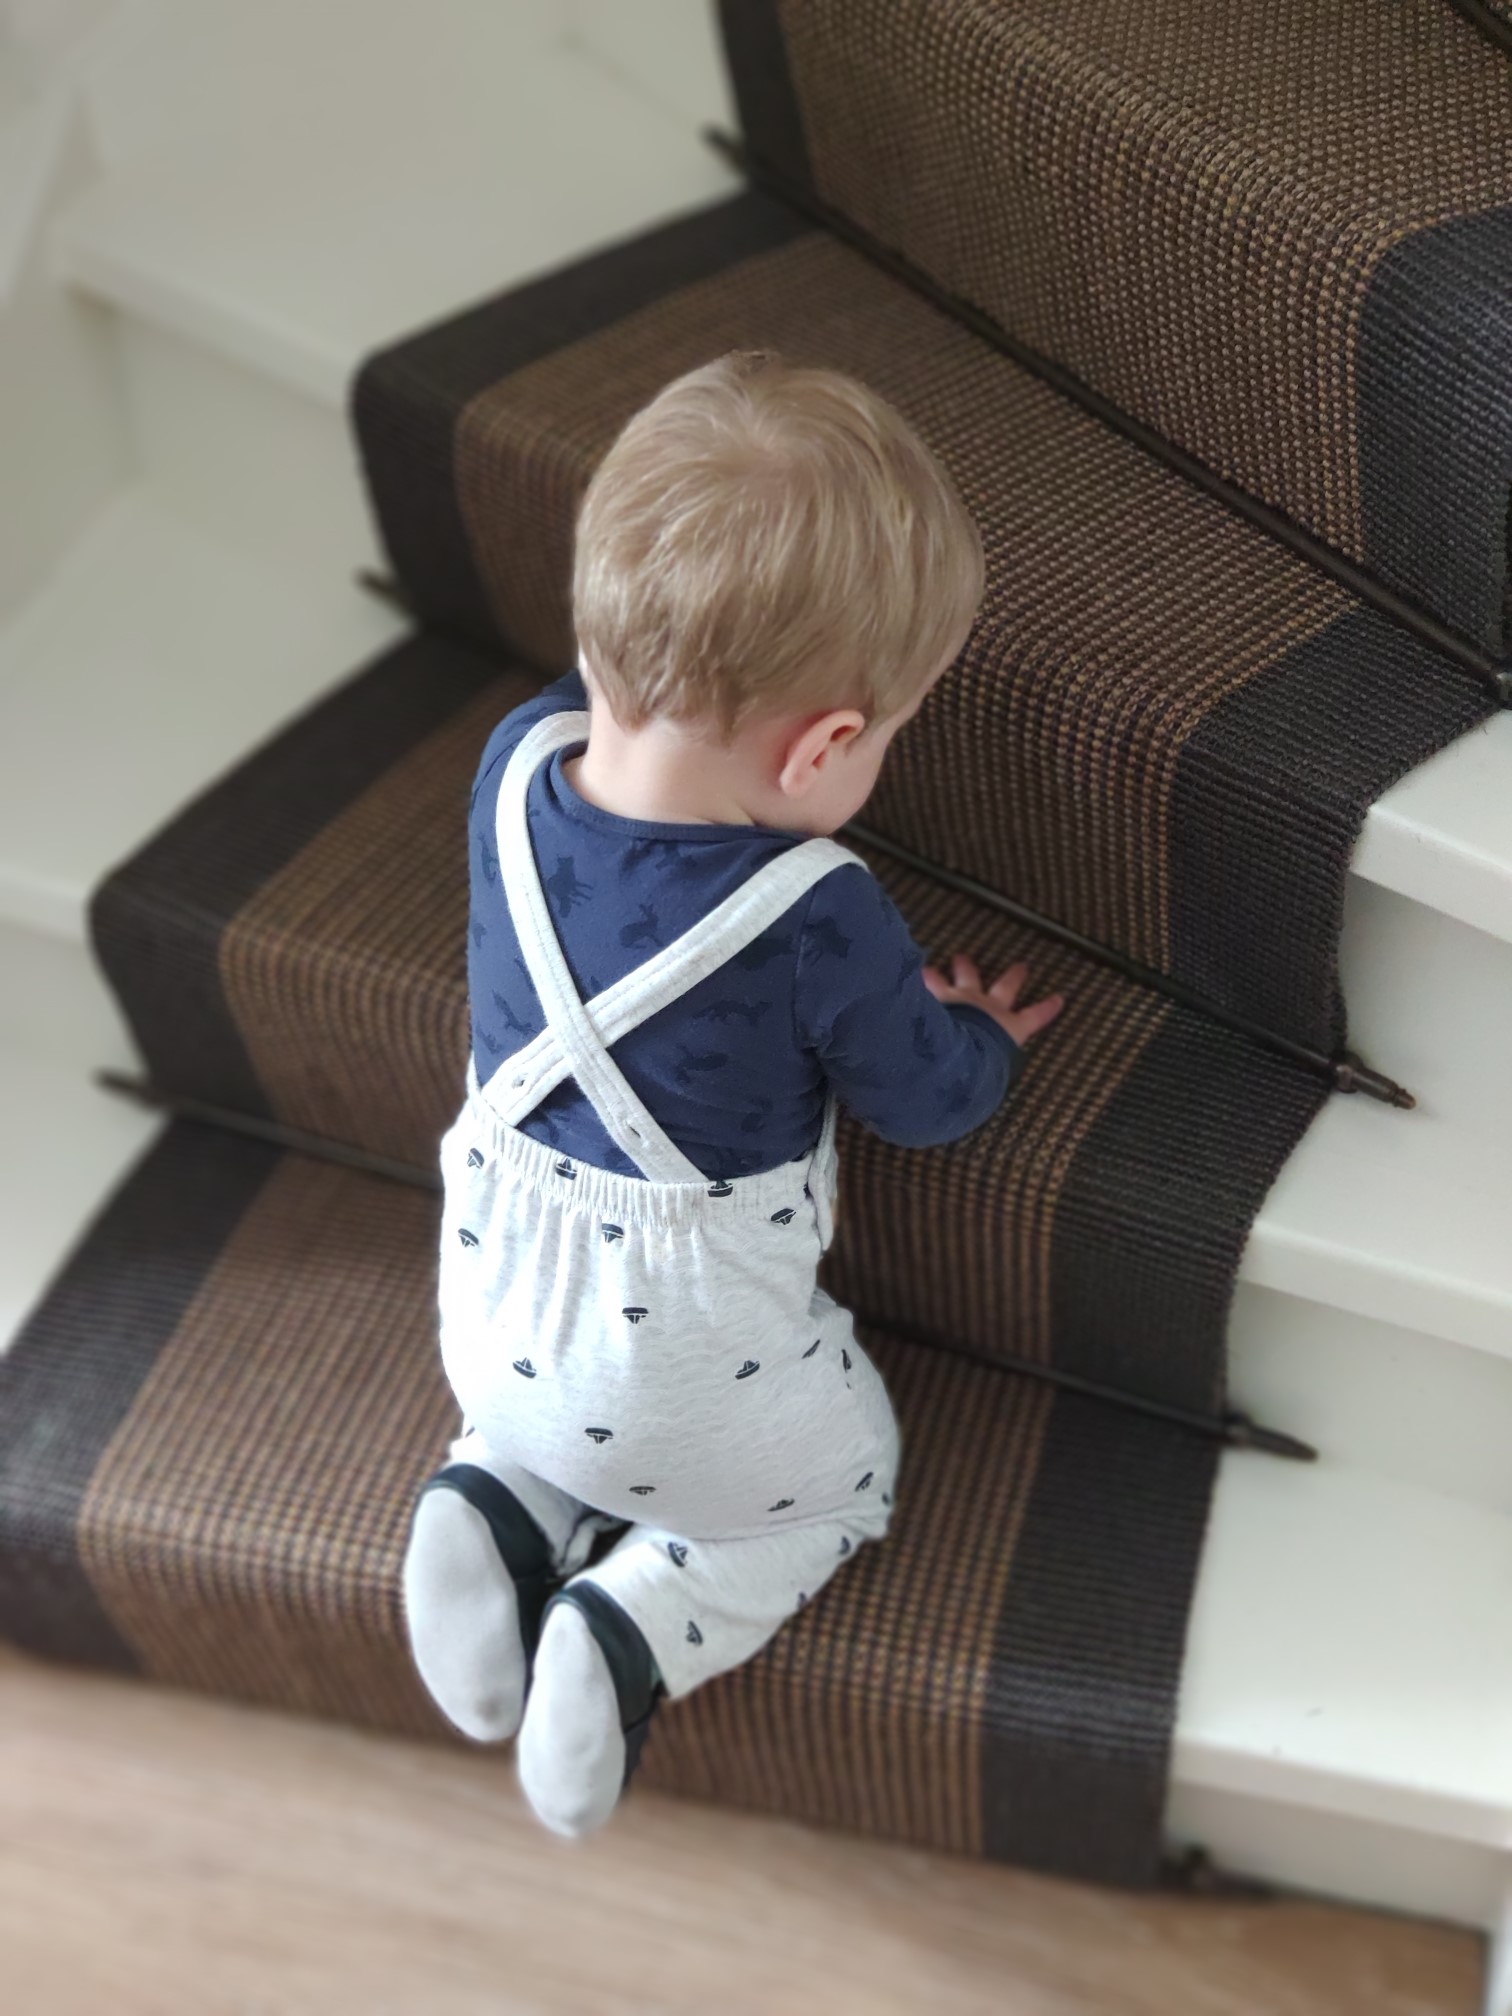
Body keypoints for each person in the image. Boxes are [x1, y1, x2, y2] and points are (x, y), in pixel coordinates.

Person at [402, 351, 1063, 1837]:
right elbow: (924, 1101)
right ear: (826, 745)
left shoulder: (513, 767)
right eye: (884, 737)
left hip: (491, 1308)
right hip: (687, 1375)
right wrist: (983, 1041)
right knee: (841, 1489)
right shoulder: (818, 912)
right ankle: (633, 1621)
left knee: (537, 1418)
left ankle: (496, 1494)